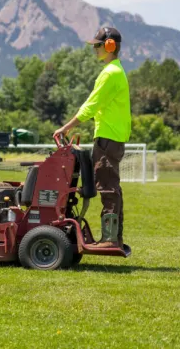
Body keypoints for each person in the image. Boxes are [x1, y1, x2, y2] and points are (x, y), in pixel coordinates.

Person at [53, 27, 131, 249]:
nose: (94, 49)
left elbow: (91, 105)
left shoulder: (110, 73)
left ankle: (110, 239)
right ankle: (114, 238)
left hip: (108, 138)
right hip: (112, 137)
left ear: (110, 46)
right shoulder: (116, 71)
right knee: (112, 187)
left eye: (98, 45)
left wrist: (66, 128)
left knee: (107, 187)